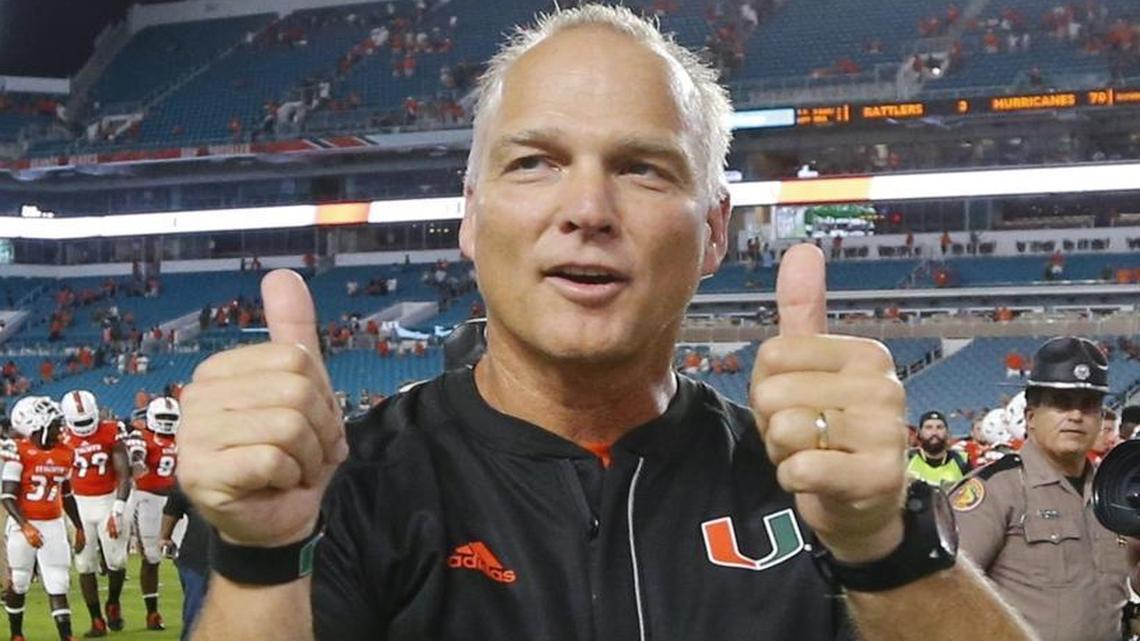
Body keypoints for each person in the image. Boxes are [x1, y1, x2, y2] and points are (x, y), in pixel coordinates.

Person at [178, 6, 1034, 641]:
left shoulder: (819, 490)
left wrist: (882, 545)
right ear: (471, 217)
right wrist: (262, 562)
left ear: (713, 231)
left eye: (642, 168)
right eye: (535, 162)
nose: (587, 207)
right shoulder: (345, 489)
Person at [950, 336, 1132, 641]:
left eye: (1088, 406)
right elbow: (944, 594)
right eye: (1062, 404)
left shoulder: (1113, 489)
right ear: (1031, 417)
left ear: (1101, 418)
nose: (1076, 416)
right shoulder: (997, 489)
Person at [2, 396, 85, 641]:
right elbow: (7, 495)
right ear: (36, 425)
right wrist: (25, 526)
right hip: (22, 524)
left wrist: (79, 526)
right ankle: (16, 633)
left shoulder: (66, 453)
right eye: (55, 424)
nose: (60, 429)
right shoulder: (18, 450)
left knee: (58, 580)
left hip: (53, 523)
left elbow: (66, 493)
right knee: (19, 580)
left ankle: (66, 636)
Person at [59, 390, 134, 636]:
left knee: (117, 560)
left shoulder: (112, 430)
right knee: (84, 563)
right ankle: (96, 620)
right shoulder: (59, 436)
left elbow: (124, 473)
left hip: (108, 499)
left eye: (86, 420)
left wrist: (118, 509)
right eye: (77, 422)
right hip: (78, 503)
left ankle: (113, 602)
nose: (82, 426)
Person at [123, 397, 181, 631]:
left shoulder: (185, 438)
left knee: (186, 556)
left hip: (179, 501)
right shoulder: (141, 436)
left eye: (171, 418)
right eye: (163, 417)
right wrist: (137, 462)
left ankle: (195, 605)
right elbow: (136, 455)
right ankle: (152, 612)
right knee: (152, 557)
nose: (167, 423)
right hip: (149, 499)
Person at [159, 483, 210, 641]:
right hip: (198, 560)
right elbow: (174, 505)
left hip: (239, 561)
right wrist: (164, 537)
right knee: (196, 619)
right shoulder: (194, 479)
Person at [906, 410, 970, 487]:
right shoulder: (905, 459)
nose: (934, 432)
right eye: (928, 427)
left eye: (939, 427)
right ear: (919, 432)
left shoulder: (962, 460)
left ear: (947, 433)